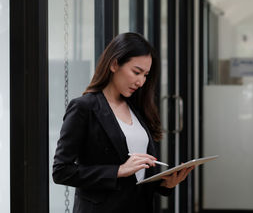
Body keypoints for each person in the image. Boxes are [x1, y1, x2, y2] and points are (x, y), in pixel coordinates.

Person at [53, 32, 194, 213]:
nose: (141, 81)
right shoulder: (84, 108)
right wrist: (118, 170)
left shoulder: (137, 108)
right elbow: (61, 171)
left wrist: (166, 184)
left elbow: (139, 175)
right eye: (136, 72)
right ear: (114, 64)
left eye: (145, 75)